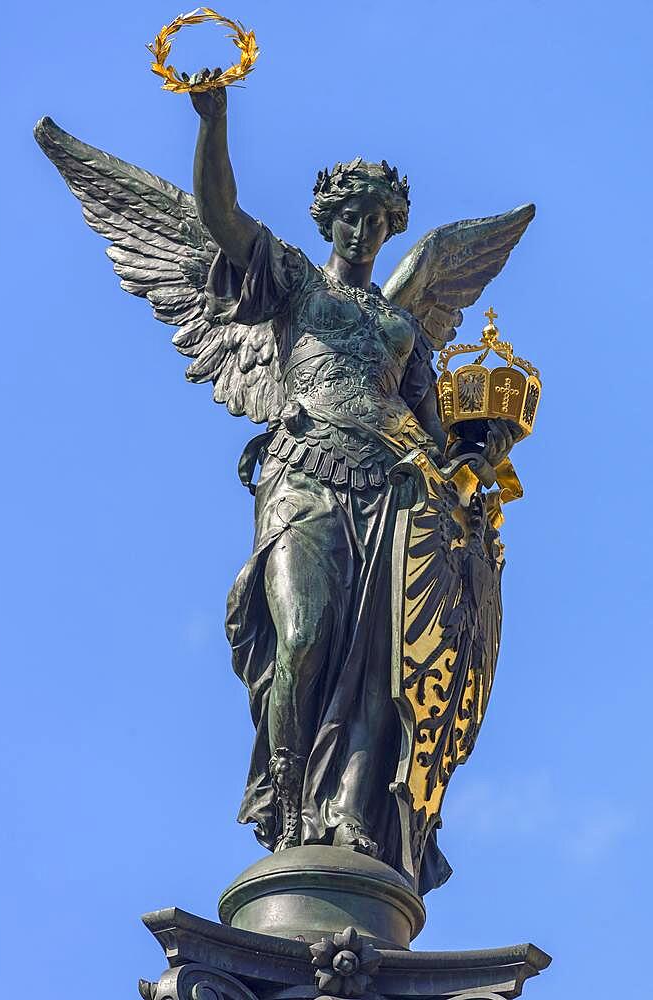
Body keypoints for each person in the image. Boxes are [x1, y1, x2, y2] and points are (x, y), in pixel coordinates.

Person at [188, 71, 516, 892]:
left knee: (378, 669)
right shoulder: (296, 284)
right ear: (327, 219)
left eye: (379, 219)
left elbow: (430, 426)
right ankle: (291, 799)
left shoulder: (399, 322)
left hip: (397, 494)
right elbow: (218, 216)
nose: (366, 228)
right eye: (352, 215)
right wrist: (215, 119)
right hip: (305, 475)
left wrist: (472, 463)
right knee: (301, 639)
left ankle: (349, 814)